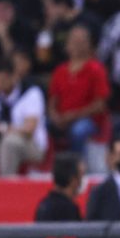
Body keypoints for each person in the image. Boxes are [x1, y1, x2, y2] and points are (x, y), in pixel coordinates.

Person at [48, 24, 111, 157]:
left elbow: (100, 105)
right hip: (62, 118)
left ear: (88, 44)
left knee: (78, 130)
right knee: (42, 126)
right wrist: (54, 116)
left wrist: (73, 116)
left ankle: (76, 164)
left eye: (81, 42)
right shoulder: (59, 71)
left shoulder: (96, 69)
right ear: (67, 45)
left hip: (88, 120)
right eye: (73, 41)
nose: (76, 45)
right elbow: (53, 100)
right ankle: (47, 166)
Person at [0, 58, 47, 175]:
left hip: (32, 145)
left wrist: (2, 127)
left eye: (2, 80)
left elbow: (29, 130)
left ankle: (6, 184)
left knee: (9, 142)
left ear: (14, 76)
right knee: (6, 143)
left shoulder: (31, 93)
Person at [34, 152, 84, 222]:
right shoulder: (69, 209)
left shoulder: (43, 205)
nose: (82, 181)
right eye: (81, 176)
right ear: (73, 180)